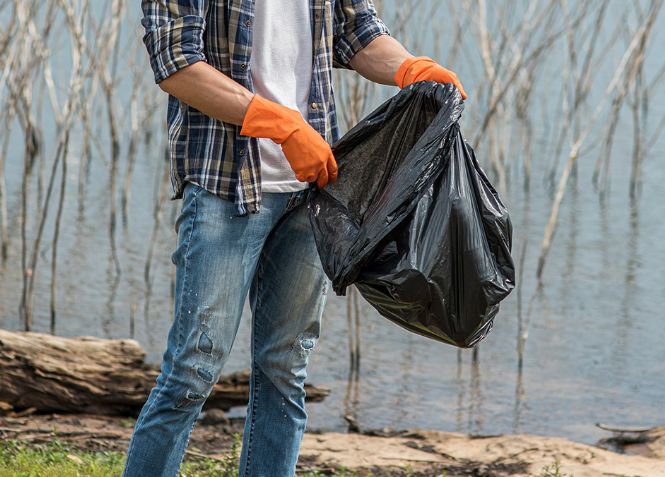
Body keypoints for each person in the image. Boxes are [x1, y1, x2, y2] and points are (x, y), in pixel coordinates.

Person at [122, 1, 466, 476]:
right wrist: (280, 124)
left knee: (285, 371)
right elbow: (176, 65)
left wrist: (410, 67)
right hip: (226, 186)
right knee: (192, 372)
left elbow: (357, 31)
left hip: (315, 190)